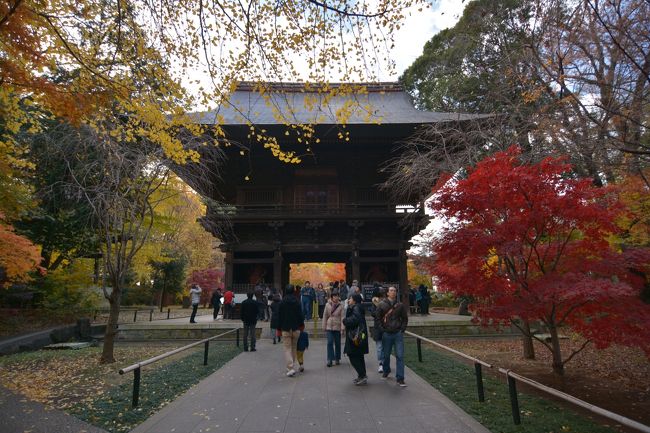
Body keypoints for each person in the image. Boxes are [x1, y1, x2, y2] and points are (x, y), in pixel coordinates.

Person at [376, 286, 409, 387]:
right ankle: (386, 370)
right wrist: (383, 329)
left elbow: (404, 318)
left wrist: (402, 329)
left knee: (400, 356)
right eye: (391, 291)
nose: (393, 292)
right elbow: (378, 319)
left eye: (394, 291)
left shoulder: (400, 305)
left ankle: (400, 378)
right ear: (387, 293)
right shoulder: (381, 305)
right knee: (386, 355)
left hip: (397, 333)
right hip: (387, 333)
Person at [278, 284, 304, 377]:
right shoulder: (297, 301)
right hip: (296, 327)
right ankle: (292, 366)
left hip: (285, 328)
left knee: (287, 348)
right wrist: (301, 325)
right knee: (293, 347)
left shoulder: (282, 302)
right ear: (293, 291)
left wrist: (278, 327)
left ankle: (290, 367)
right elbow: (300, 315)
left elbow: (279, 316)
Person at [343, 293, 369, 385]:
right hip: (358, 335)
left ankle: (362, 375)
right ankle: (362, 375)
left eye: (350, 298)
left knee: (353, 355)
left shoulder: (356, 308)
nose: (348, 300)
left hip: (355, 336)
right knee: (359, 356)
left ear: (354, 300)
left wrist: (345, 321)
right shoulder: (357, 307)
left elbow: (355, 319)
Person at [322, 290, 344, 367]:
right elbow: (325, 316)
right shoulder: (327, 305)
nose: (336, 297)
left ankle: (337, 358)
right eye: (334, 296)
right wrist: (324, 326)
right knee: (330, 342)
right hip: (329, 325)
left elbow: (342, 317)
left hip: (337, 326)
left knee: (337, 343)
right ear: (331, 297)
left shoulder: (341, 305)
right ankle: (330, 359)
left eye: (337, 296)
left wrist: (342, 328)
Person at [371, 288, 386, 373]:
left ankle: (385, 363)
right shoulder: (374, 303)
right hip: (378, 327)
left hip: (386, 326)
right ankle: (381, 363)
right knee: (379, 348)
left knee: (386, 347)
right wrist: (378, 308)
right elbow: (373, 313)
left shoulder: (387, 302)